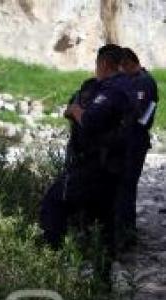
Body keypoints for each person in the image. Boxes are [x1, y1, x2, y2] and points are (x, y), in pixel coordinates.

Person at [39, 44, 135, 255]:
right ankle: (102, 280)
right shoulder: (123, 86)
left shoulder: (114, 89)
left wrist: (76, 110)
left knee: (54, 203)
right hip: (110, 165)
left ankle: (48, 260)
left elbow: (90, 120)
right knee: (103, 222)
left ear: (103, 64)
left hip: (94, 165)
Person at [117, 47, 159, 247]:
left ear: (128, 63)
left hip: (135, 142)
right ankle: (121, 230)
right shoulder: (129, 80)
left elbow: (142, 117)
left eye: (122, 66)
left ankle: (127, 234)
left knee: (127, 186)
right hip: (124, 141)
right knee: (121, 186)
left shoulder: (145, 82)